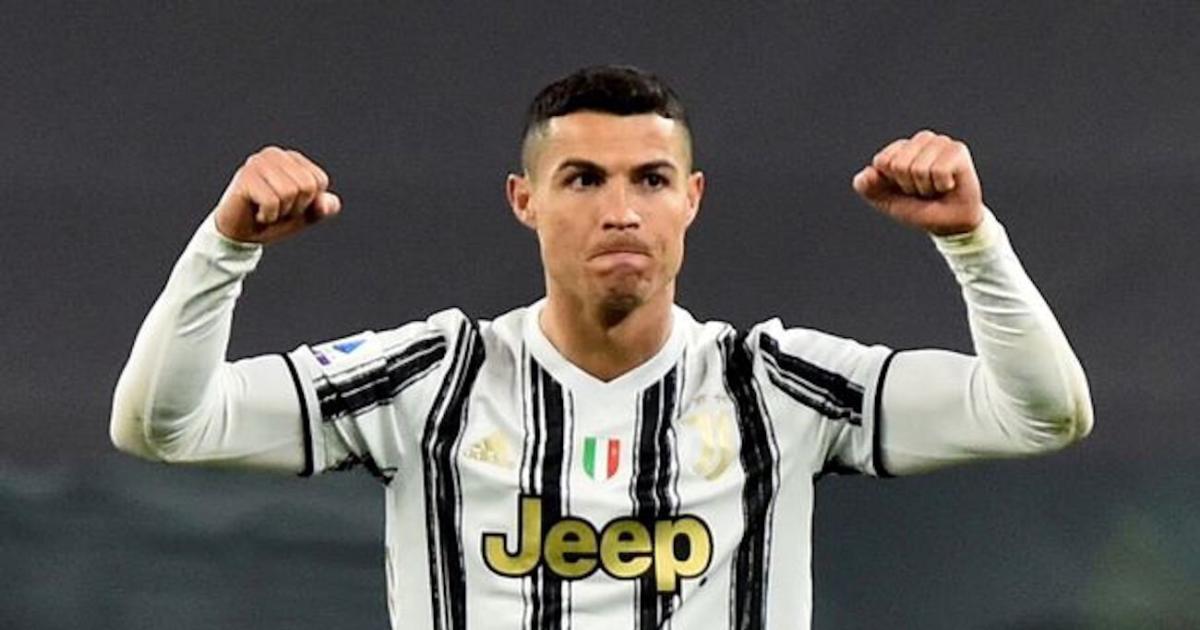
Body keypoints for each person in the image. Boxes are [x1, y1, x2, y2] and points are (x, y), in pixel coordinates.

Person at [110, 65, 1093, 629]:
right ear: (524, 200)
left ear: (691, 200)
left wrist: (972, 241)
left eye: (651, 180)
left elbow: (1042, 415)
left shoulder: (778, 387)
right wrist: (225, 249)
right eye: (582, 178)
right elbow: (163, 427)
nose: (621, 210)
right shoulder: (432, 379)